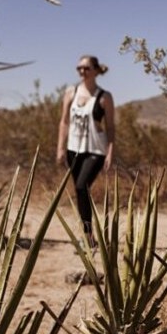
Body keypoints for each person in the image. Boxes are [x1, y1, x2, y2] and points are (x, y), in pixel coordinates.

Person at [56, 55, 115, 243]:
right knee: (80, 190)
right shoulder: (70, 92)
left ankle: (88, 235)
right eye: (79, 68)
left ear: (96, 71)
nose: (83, 71)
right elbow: (64, 121)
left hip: (95, 150)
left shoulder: (104, 97)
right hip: (74, 148)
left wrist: (110, 151)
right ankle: (88, 236)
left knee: (82, 186)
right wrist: (60, 148)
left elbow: (111, 126)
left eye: (87, 68)